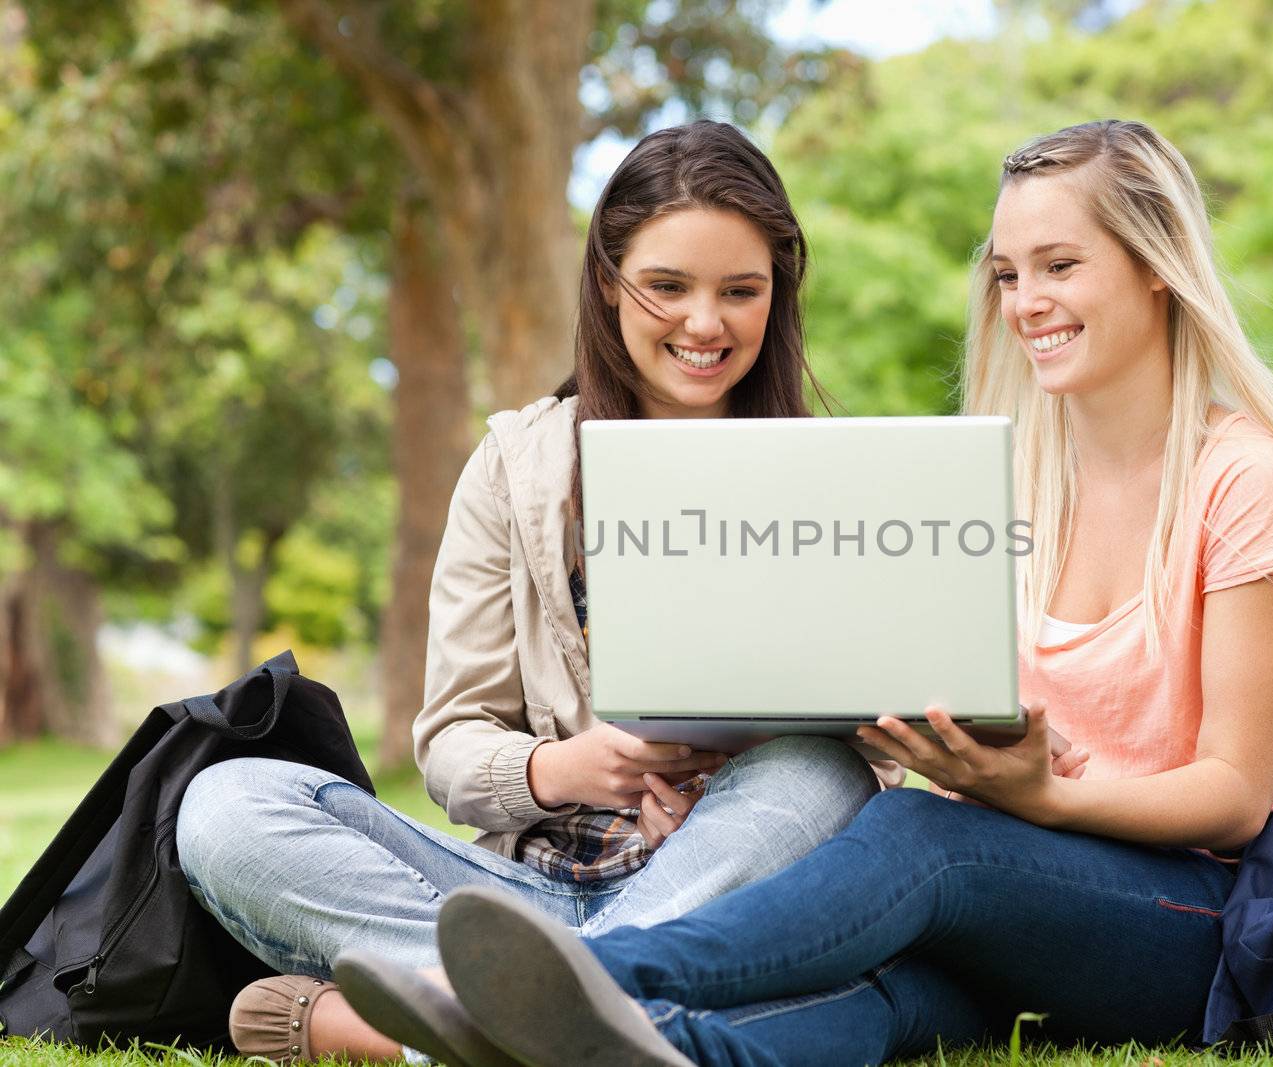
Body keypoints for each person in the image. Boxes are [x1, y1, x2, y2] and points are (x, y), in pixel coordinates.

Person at [340, 117, 1273, 1067]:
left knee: (916, 839)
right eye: (1006, 273)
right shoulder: (1011, 477)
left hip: (1199, 915)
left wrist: (1042, 793)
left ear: (1157, 264)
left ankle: (585, 970)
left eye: (1059, 265)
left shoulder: (1245, 477)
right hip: (1017, 890)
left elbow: (1237, 796)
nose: (1025, 300)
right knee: (870, 999)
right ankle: (616, 1040)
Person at [174, 121, 896, 1065]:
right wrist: (568, 769)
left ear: (778, 294)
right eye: (668, 287)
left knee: (823, 776)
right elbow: (450, 742)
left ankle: (486, 1015)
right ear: (607, 281)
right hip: (513, 891)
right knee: (226, 803)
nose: (706, 323)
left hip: (720, 881)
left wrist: (743, 772)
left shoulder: (832, 477)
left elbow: (876, 771)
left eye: (741, 291)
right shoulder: (515, 466)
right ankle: (560, 1003)